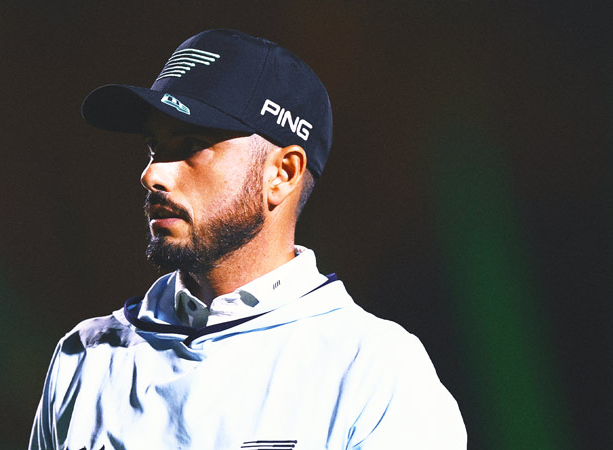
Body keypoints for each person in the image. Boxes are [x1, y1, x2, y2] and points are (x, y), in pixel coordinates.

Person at [29, 29, 466, 450]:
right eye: (154, 147)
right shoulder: (84, 357)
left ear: (283, 174)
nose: (152, 173)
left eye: (191, 144)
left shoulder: (374, 372)